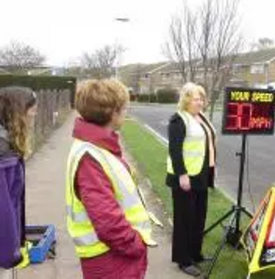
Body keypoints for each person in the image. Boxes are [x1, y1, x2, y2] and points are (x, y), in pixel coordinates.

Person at [65, 79, 156, 279]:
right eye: (124, 108)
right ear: (111, 112)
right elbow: (107, 220)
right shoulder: (91, 155)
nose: (126, 113)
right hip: (110, 258)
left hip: (112, 254)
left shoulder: (96, 146)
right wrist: (135, 245)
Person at [166, 82, 217, 277]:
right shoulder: (178, 120)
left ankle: (195, 253)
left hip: (201, 176)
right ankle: (184, 260)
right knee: (184, 219)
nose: (200, 102)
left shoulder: (200, 117)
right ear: (186, 99)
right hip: (185, 178)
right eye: (196, 99)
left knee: (198, 217)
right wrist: (182, 175)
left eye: (202, 98)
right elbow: (175, 150)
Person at [0, 87, 38, 278]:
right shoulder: (3, 150)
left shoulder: (8, 144)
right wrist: (10, 253)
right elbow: (3, 210)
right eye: (31, 109)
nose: (34, 113)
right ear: (18, 112)